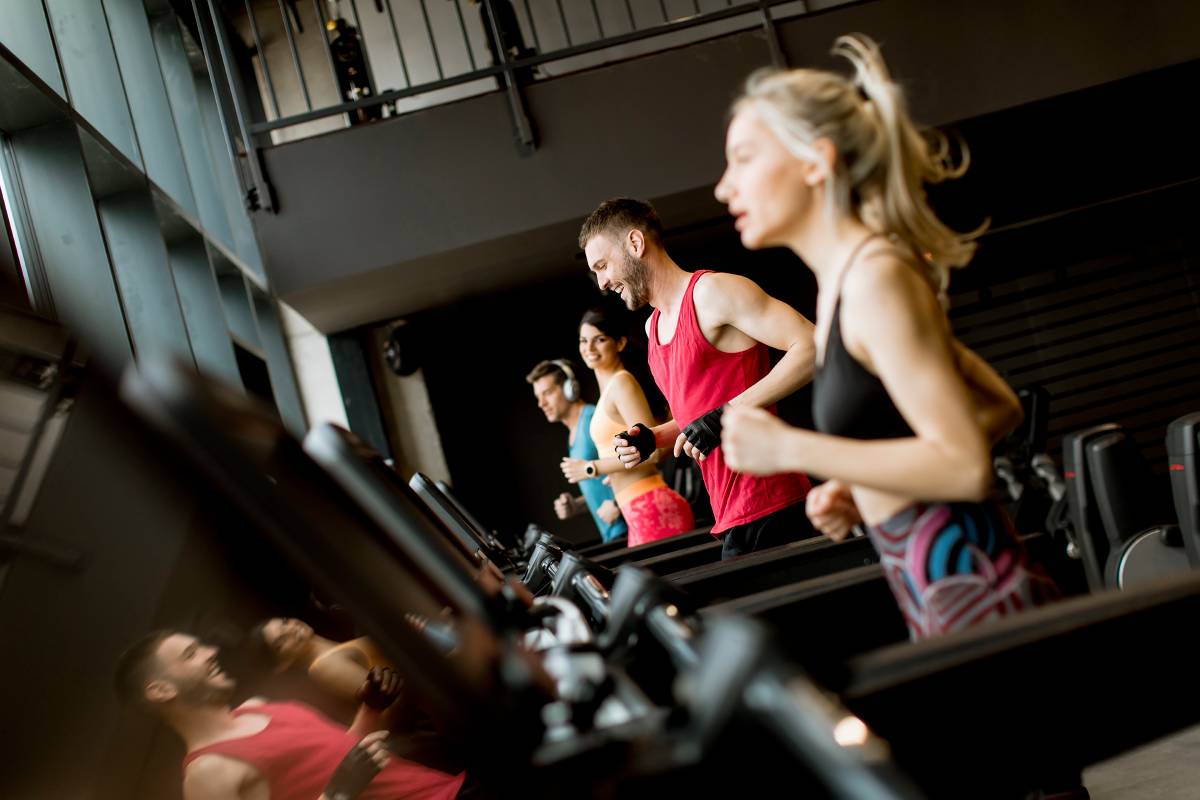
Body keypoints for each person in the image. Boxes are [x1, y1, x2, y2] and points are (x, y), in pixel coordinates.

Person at [712, 34, 1057, 640]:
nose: (723, 187)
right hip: (944, 600)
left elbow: (963, 465)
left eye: (743, 158)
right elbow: (996, 408)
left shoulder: (877, 280)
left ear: (816, 162)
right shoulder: (845, 284)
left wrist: (793, 450)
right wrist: (863, 480)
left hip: (984, 603)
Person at [579, 198, 817, 558]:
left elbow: (812, 346)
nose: (602, 282)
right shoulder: (653, 327)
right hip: (728, 515)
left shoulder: (712, 294)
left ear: (635, 243)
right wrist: (653, 438)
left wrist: (727, 414)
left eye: (603, 265)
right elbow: (701, 417)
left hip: (775, 504)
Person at [113, 629, 465, 799]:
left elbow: (340, 755)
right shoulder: (206, 774)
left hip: (451, 789)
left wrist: (371, 707)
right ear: (161, 690)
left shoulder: (258, 705)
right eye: (190, 654)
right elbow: (340, 781)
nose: (208, 653)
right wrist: (338, 795)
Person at [560, 306, 694, 546]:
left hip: (650, 506)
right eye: (583, 341)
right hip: (638, 510)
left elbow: (651, 450)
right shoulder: (609, 390)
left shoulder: (622, 383)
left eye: (599, 340)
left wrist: (592, 468)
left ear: (619, 343)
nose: (589, 348)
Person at [526, 359, 627, 542]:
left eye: (547, 393)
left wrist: (616, 504)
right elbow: (601, 484)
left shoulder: (591, 420)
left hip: (628, 527)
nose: (541, 403)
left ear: (569, 388)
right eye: (538, 396)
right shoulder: (574, 432)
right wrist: (577, 506)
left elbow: (634, 460)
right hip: (613, 534)